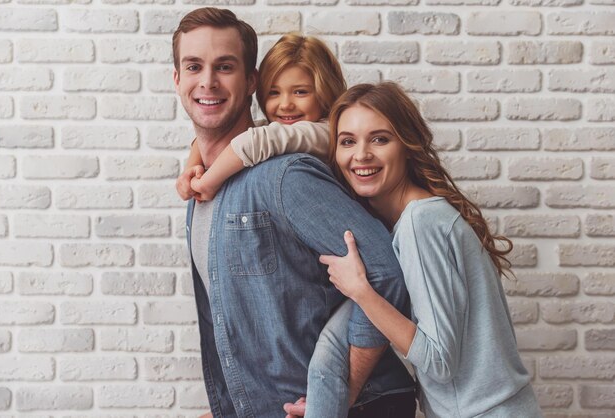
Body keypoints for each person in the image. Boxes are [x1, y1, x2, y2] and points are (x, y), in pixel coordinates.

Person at [173, 8, 415, 418]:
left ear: (250, 81)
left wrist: (341, 391)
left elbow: (386, 271)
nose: (208, 81)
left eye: (225, 67)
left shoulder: (285, 174)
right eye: (194, 66)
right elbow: (246, 322)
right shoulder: (202, 190)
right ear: (177, 79)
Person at [314, 82, 543, 417]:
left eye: (380, 139)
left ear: (406, 146)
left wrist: (361, 291)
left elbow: (438, 361)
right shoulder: (424, 216)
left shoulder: (419, 224)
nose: (361, 154)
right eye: (348, 141)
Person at [176, 33, 339, 202]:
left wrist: (207, 183)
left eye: (300, 92)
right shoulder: (278, 132)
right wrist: (192, 167)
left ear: (325, 92)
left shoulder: (331, 132)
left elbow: (256, 140)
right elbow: (249, 135)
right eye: (274, 92)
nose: (285, 105)